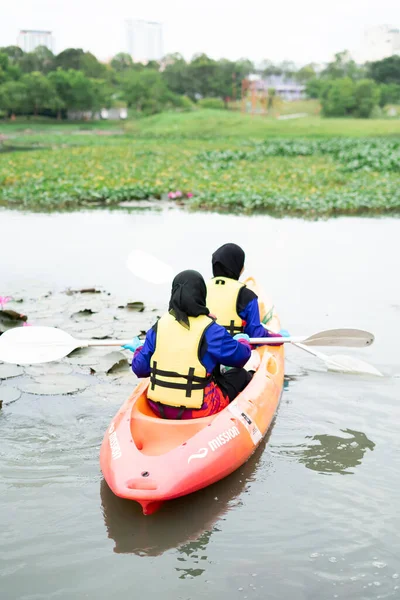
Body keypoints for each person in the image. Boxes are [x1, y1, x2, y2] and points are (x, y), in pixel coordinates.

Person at [123, 270, 253, 420]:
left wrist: (139, 349)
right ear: (201, 295)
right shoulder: (211, 329)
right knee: (240, 374)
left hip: (158, 407)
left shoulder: (159, 326)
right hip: (200, 410)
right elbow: (240, 358)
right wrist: (243, 341)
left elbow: (140, 368)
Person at [207, 243, 285, 339]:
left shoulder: (201, 289)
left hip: (204, 349)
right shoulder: (246, 295)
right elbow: (256, 333)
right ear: (237, 266)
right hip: (232, 349)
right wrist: (276, 337)